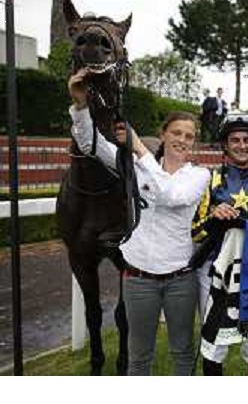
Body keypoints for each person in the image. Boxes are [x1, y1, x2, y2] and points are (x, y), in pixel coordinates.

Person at [68, 69, 211, 376]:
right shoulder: (135, 165)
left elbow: (172, 195)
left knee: (183, 351)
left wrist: (139, 147)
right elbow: (90, 144)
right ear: (164, 134)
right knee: (138, 355)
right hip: (138, 279)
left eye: (189, 136)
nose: (182, 140)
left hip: (180, 279)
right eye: (176, 133)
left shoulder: (199, 175)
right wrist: (80, 106)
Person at [191, 113, 248, 376]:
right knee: (214, 342)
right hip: (213, 274)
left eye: (246, 140)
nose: (242, 145)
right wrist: (213, 217)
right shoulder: (211, 181)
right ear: (225, 145)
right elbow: (195, 233)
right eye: (235, 140)